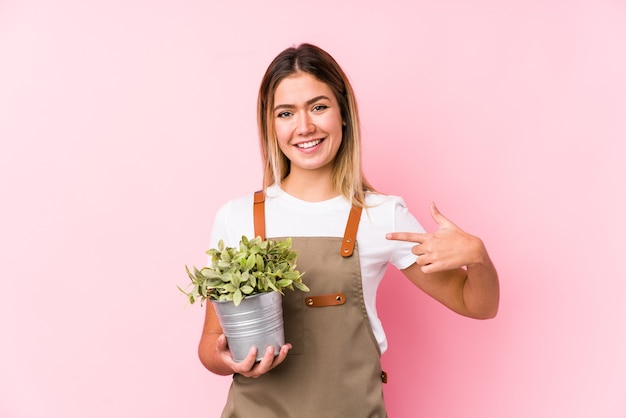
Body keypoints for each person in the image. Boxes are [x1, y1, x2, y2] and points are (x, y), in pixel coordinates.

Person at [197, 43, 499, 417]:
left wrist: (479, 258)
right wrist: (228, 359)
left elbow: (479, 305)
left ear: (343, 114)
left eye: (318, 107)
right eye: (286, 113)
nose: (304, 127)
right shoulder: (237, 217)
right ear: (271, 124)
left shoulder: (382, 215)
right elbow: (210, 344)